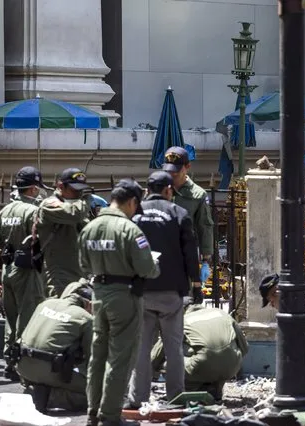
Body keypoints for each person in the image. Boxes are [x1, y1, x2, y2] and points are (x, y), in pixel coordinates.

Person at [78, 178, 159, 426]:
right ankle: (110, 416)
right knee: (120, 358)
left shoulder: (89, 228)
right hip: (124, 296)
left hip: (98, 295)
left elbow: (82, 265)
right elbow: (146, 268)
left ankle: (93, 412)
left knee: (97, 356)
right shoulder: (130, 231)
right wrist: (154, 266)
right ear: (132, 202)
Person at [125, 171, 201, 409]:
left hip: (141, 290)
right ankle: (176, 397)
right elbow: (190, 253)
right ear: (169, 190)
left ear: (148, 189)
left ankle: (138, 398)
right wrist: (196, 284)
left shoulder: (134, 215)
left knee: (142, 347)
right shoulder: (179, 214)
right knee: (174, 347)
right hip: (171, 292)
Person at [0, 166, 49, 380]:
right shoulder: (33, 211)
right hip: (27, 270)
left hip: (8, 268)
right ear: (33, 189)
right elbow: (41, 239)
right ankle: (21, 363)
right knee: (27, 317)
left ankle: (9, 360)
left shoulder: (6, 210)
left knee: (11, 317)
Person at [16, 280, 93, 413]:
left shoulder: (45, 304)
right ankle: (51, 396)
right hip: (50, 371)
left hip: (22, 366)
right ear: (89, 304)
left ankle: (33, 388)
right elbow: (93, 357)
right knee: (96, 395)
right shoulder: (85, 317)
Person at [162, 147, 214, 284]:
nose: (172, 174)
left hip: (185, 254)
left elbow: (205, 226)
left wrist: (205, 261)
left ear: (187, 167)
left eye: (176, 170)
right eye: (168, 170)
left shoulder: (198, 194)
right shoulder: (158, 188)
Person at [36, 168, 90, 297]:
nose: (79, 194)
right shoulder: (49, 204)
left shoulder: (78, 206)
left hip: (79, 272)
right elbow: (74, 214)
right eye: (74, 190)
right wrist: (86, 202)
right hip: (58, 274)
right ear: (61, 186)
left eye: (81, 190)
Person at [182, 305, 248, 400]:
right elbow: (244, 348)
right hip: (231, 368)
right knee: (221, 356)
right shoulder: (222, 314)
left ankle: (193, 390)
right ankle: (216, 387)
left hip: (200, 366)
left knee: (172, 357)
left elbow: (162, 350)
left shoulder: (184, 320)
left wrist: (154, 371)